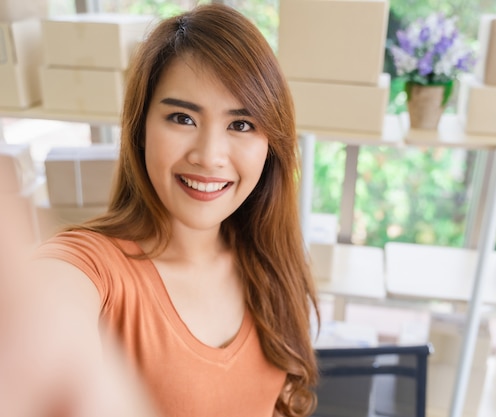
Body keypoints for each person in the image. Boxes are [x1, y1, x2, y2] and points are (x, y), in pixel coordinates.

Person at [19, 4, 320, 417]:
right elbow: (43, 320)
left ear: (271, 145)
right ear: (141, 129)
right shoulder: (93, 266)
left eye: (241, 124)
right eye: (182, 117)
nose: (209, 156)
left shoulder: (270, 264)